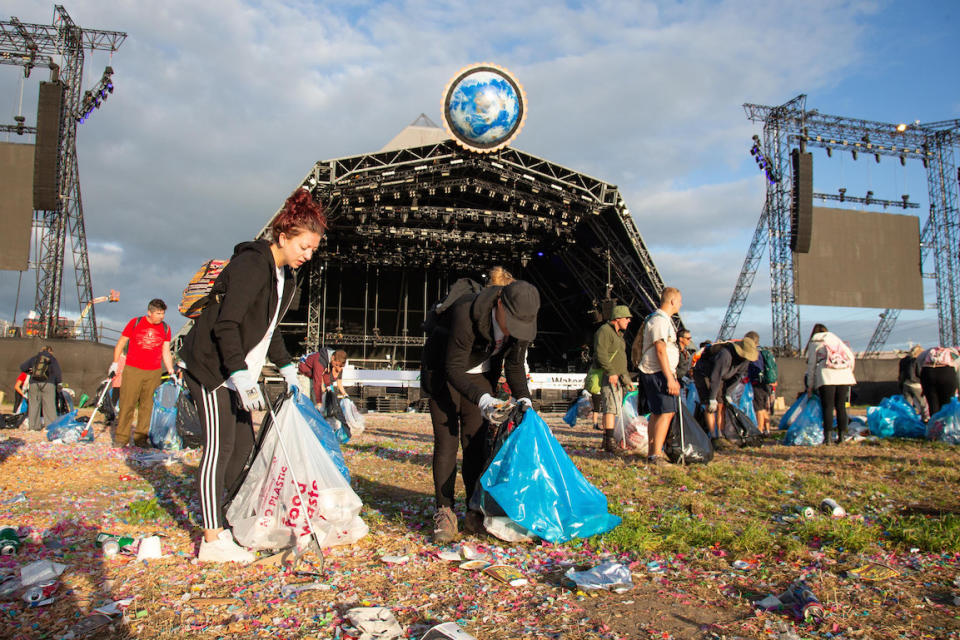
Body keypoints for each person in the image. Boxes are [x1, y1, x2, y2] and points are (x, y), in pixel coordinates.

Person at [179, 187, 326, 563]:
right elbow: (227, 324)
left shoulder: (284, 277)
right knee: (220, 447)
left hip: (238, 369)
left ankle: (226, 519)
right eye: (304, 247)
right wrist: (239, 375)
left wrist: (289, 366)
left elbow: (268, 328)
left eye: (313, 249)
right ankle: (212, 539)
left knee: (244, 446)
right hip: (213, 367)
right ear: (283, 236)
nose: (308, 256)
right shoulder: (252, 265)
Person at [427, 279, 540, 543]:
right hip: (443, 372)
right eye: (510, 321)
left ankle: (474, 510)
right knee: (447, 441)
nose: (513, 330)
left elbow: (513, 367)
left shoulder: (522, 324)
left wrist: (524, 400)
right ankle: (444, 510)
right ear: (499, 303)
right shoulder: (466, 313)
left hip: (481, 374)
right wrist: (483, 399)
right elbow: (453, 368)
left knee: (476, 442)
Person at [110, 299, 177, 447]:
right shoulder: (136, 322)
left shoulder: (165, 328)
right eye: (158, 313)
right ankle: (121, 438)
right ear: (150, 312)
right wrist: (115, 363)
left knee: (147, 406)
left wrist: (171, 370)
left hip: (153, 371)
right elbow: (121, 343)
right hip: (133, 369)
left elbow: (166, 350)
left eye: (163, 313)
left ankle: (141, 438)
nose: (161, 316)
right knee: (128, 403)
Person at [634, 288, 682, 464]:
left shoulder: (661, 320)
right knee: (666, 412)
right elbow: (660, 349)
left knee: (657, 413)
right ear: (672, 301)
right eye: (679, 301)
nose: (681, 304)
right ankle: (656, 454)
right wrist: (670, 377)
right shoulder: (660, 321)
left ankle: (653, 452)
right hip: (658, 372)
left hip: (656, 371)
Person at [693, 332, 759, 440]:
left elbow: (736, 377)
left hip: (722, 377)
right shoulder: (725, 355)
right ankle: (714, 435)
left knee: (722, 405)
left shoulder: (745, 361)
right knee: (710, 406)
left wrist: (728, 393)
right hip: (704, 374)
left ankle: (721, 433)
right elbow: (716, 376)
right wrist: (712, 398)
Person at [805, 324, 856, 444]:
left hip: (826, 376)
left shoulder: (815, 341)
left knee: (828, 407)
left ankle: (827, 438)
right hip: (844, 374)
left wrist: (810, 385)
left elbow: (811, 365)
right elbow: (851, 357)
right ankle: (842, 436)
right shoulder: (836, 339)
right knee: (841, 406)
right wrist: (848, 371)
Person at [594, 305, 634, 454]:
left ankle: (606, 440)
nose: (629, 321)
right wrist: (610, 371)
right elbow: (601, 353)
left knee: (613, 407)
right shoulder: (604, 331)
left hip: (617, 376)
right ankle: (610, 442)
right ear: (617, 318)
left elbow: (621, 361)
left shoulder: (619, 336)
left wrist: (627, 380)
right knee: (610, 408)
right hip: (609, 375)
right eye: (626, 318)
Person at [19, 345, 61, 431]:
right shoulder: (52, 359)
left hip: (34, 383)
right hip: (48, 383)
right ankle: (50, 427)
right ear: (50, 351)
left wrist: (29, 372)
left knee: (34, 405)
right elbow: (57, 372)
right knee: (49, 406)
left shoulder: (34, 358)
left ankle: (33, 427)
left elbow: (22, 367)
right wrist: (58, 383)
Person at [917, 345, 960, 417]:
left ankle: (934, 425)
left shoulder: (929, 350)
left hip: (927, 372)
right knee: (947, 404)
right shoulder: (954, 354)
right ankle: (946, 425)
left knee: (933, 404)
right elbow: (959, 376)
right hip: (947, 373)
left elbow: (918, 360)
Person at [748, 350, 773, 434]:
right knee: (763, 408)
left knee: (758, 408)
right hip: (765, 384)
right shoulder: (763, 352)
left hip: (757, 384)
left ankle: (760, 429)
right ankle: (767, 429)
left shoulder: (755, 354)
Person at [898, 345, 926, 420]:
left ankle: (908, 420)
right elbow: (917, 373)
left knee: (907, 405)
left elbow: (901, 374)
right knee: (922, 404)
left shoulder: (903, 360)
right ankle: (925, 419)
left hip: (905, 384)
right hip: (916, 384)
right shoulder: (916, 360)